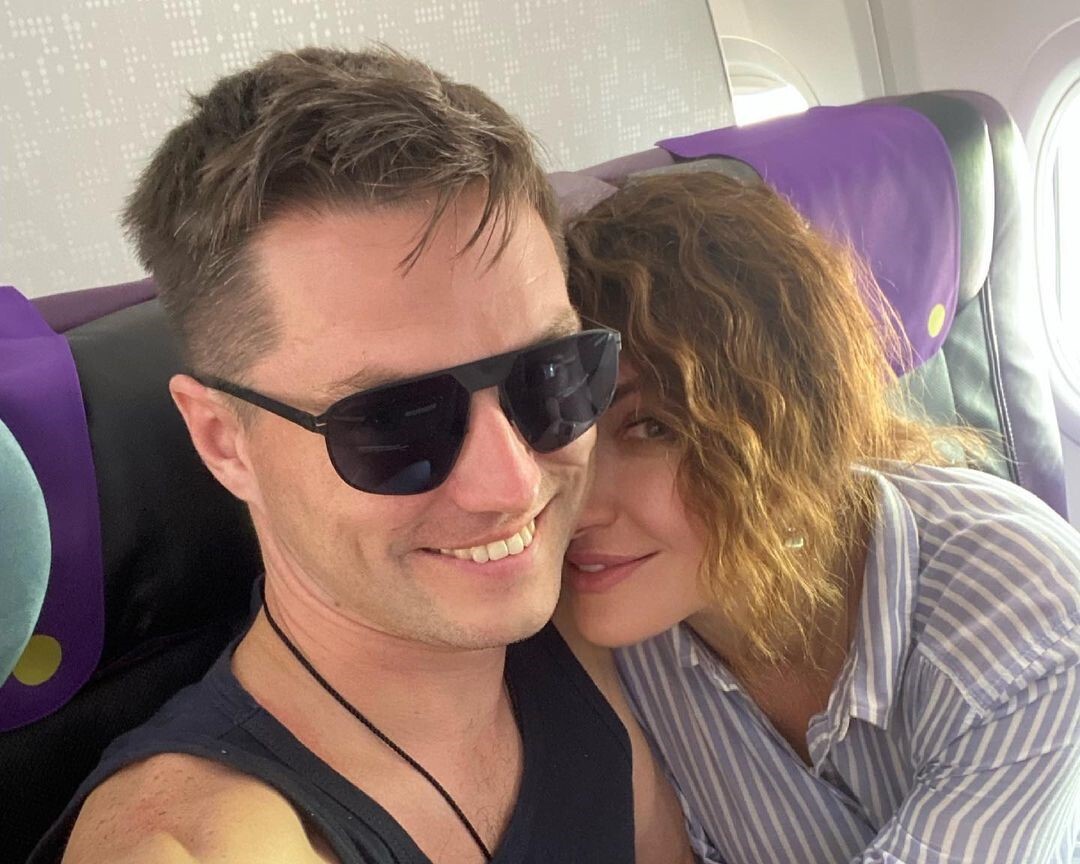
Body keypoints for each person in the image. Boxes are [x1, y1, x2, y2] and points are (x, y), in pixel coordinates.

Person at [31, 47, 692, 864]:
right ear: (223, 441)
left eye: (549, 374)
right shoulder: (195, 842)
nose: (512, 484)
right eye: (394, 422)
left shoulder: (593, 626)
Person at [562, 170, 1080, 863]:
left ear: (787, 425)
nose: (577, 504)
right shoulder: (610, 618)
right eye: (561, 431)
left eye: (652, 427)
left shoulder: (1025, 621)